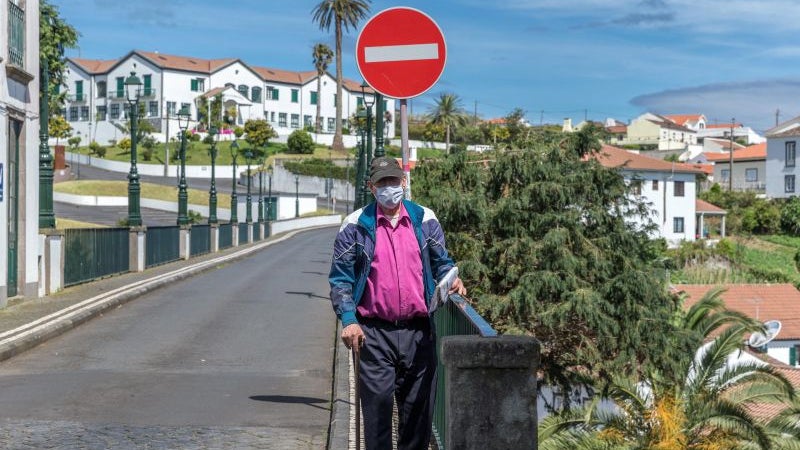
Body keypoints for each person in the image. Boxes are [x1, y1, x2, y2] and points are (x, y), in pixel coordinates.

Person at [329, 156, 466, 450]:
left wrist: (452, 279)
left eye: (394, 180)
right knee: (377, 419)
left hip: (419, 331)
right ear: (371, 187)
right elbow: (340, 279)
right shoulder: (354, 225)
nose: (389, 187)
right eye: (382, 182)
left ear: (403, 182)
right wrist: (349, 320)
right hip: (374, 335)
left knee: (418, 418)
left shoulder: (424, 219)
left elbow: (442, 261)